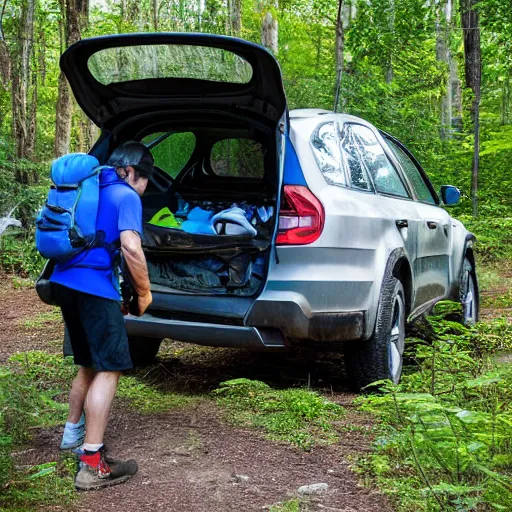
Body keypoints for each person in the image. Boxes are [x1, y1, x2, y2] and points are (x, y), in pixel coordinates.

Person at [50, 141, 153, 490]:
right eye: (145, 180)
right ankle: (92, 464)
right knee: (110, 367)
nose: (144, 188)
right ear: (133, 173)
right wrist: (144, 293)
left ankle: (71, 436)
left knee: (88, 362)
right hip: (93, 288)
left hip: (64, 282)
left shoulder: (87, 188)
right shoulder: (126, 196)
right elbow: (130, 248)